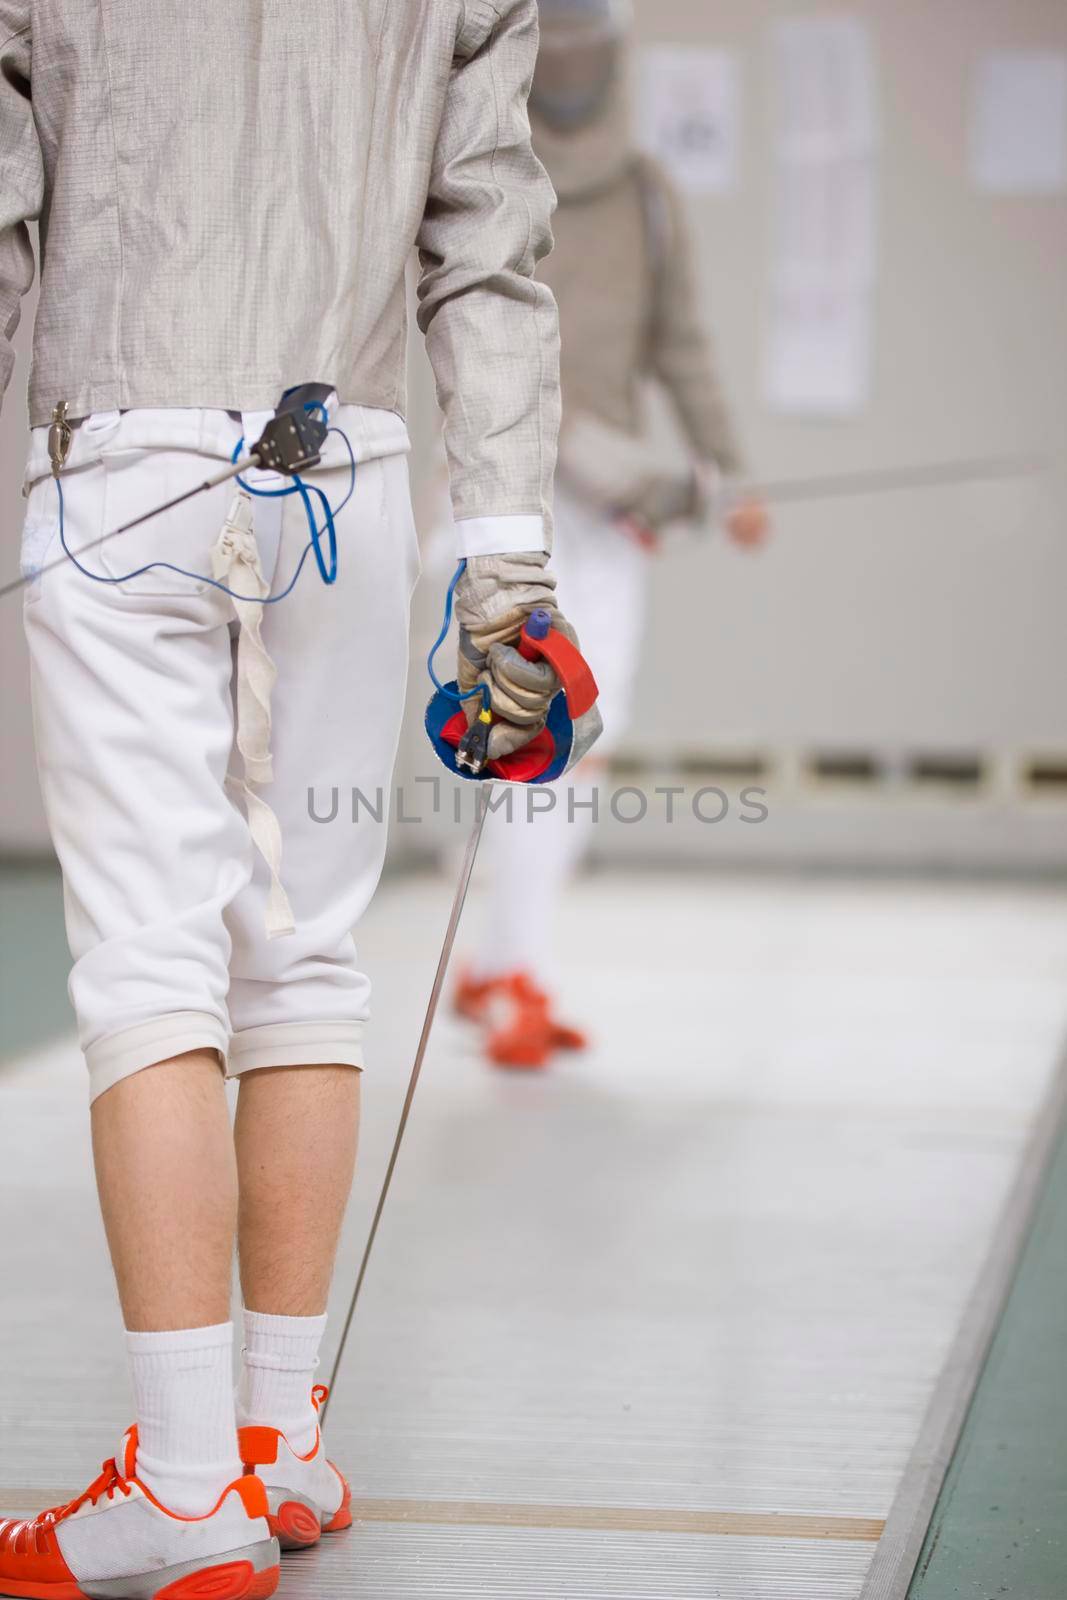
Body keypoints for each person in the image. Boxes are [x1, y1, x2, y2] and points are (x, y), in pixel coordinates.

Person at [0, 5, 576, 1596]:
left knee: (148, 969)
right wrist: (506, 552)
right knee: (304, 959)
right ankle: (274, 1441)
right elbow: (490, 245)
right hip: (347, 467)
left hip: (117, 462)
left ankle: (185, 1488)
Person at [454, 0, 771, 1070]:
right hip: (514, 499)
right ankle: (516, 974)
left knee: (548, 744)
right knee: (545, 746)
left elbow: (678, 346)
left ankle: (498, 963)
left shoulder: (632, 194)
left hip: (580, 502)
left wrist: (724, 473)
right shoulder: (495, 175)